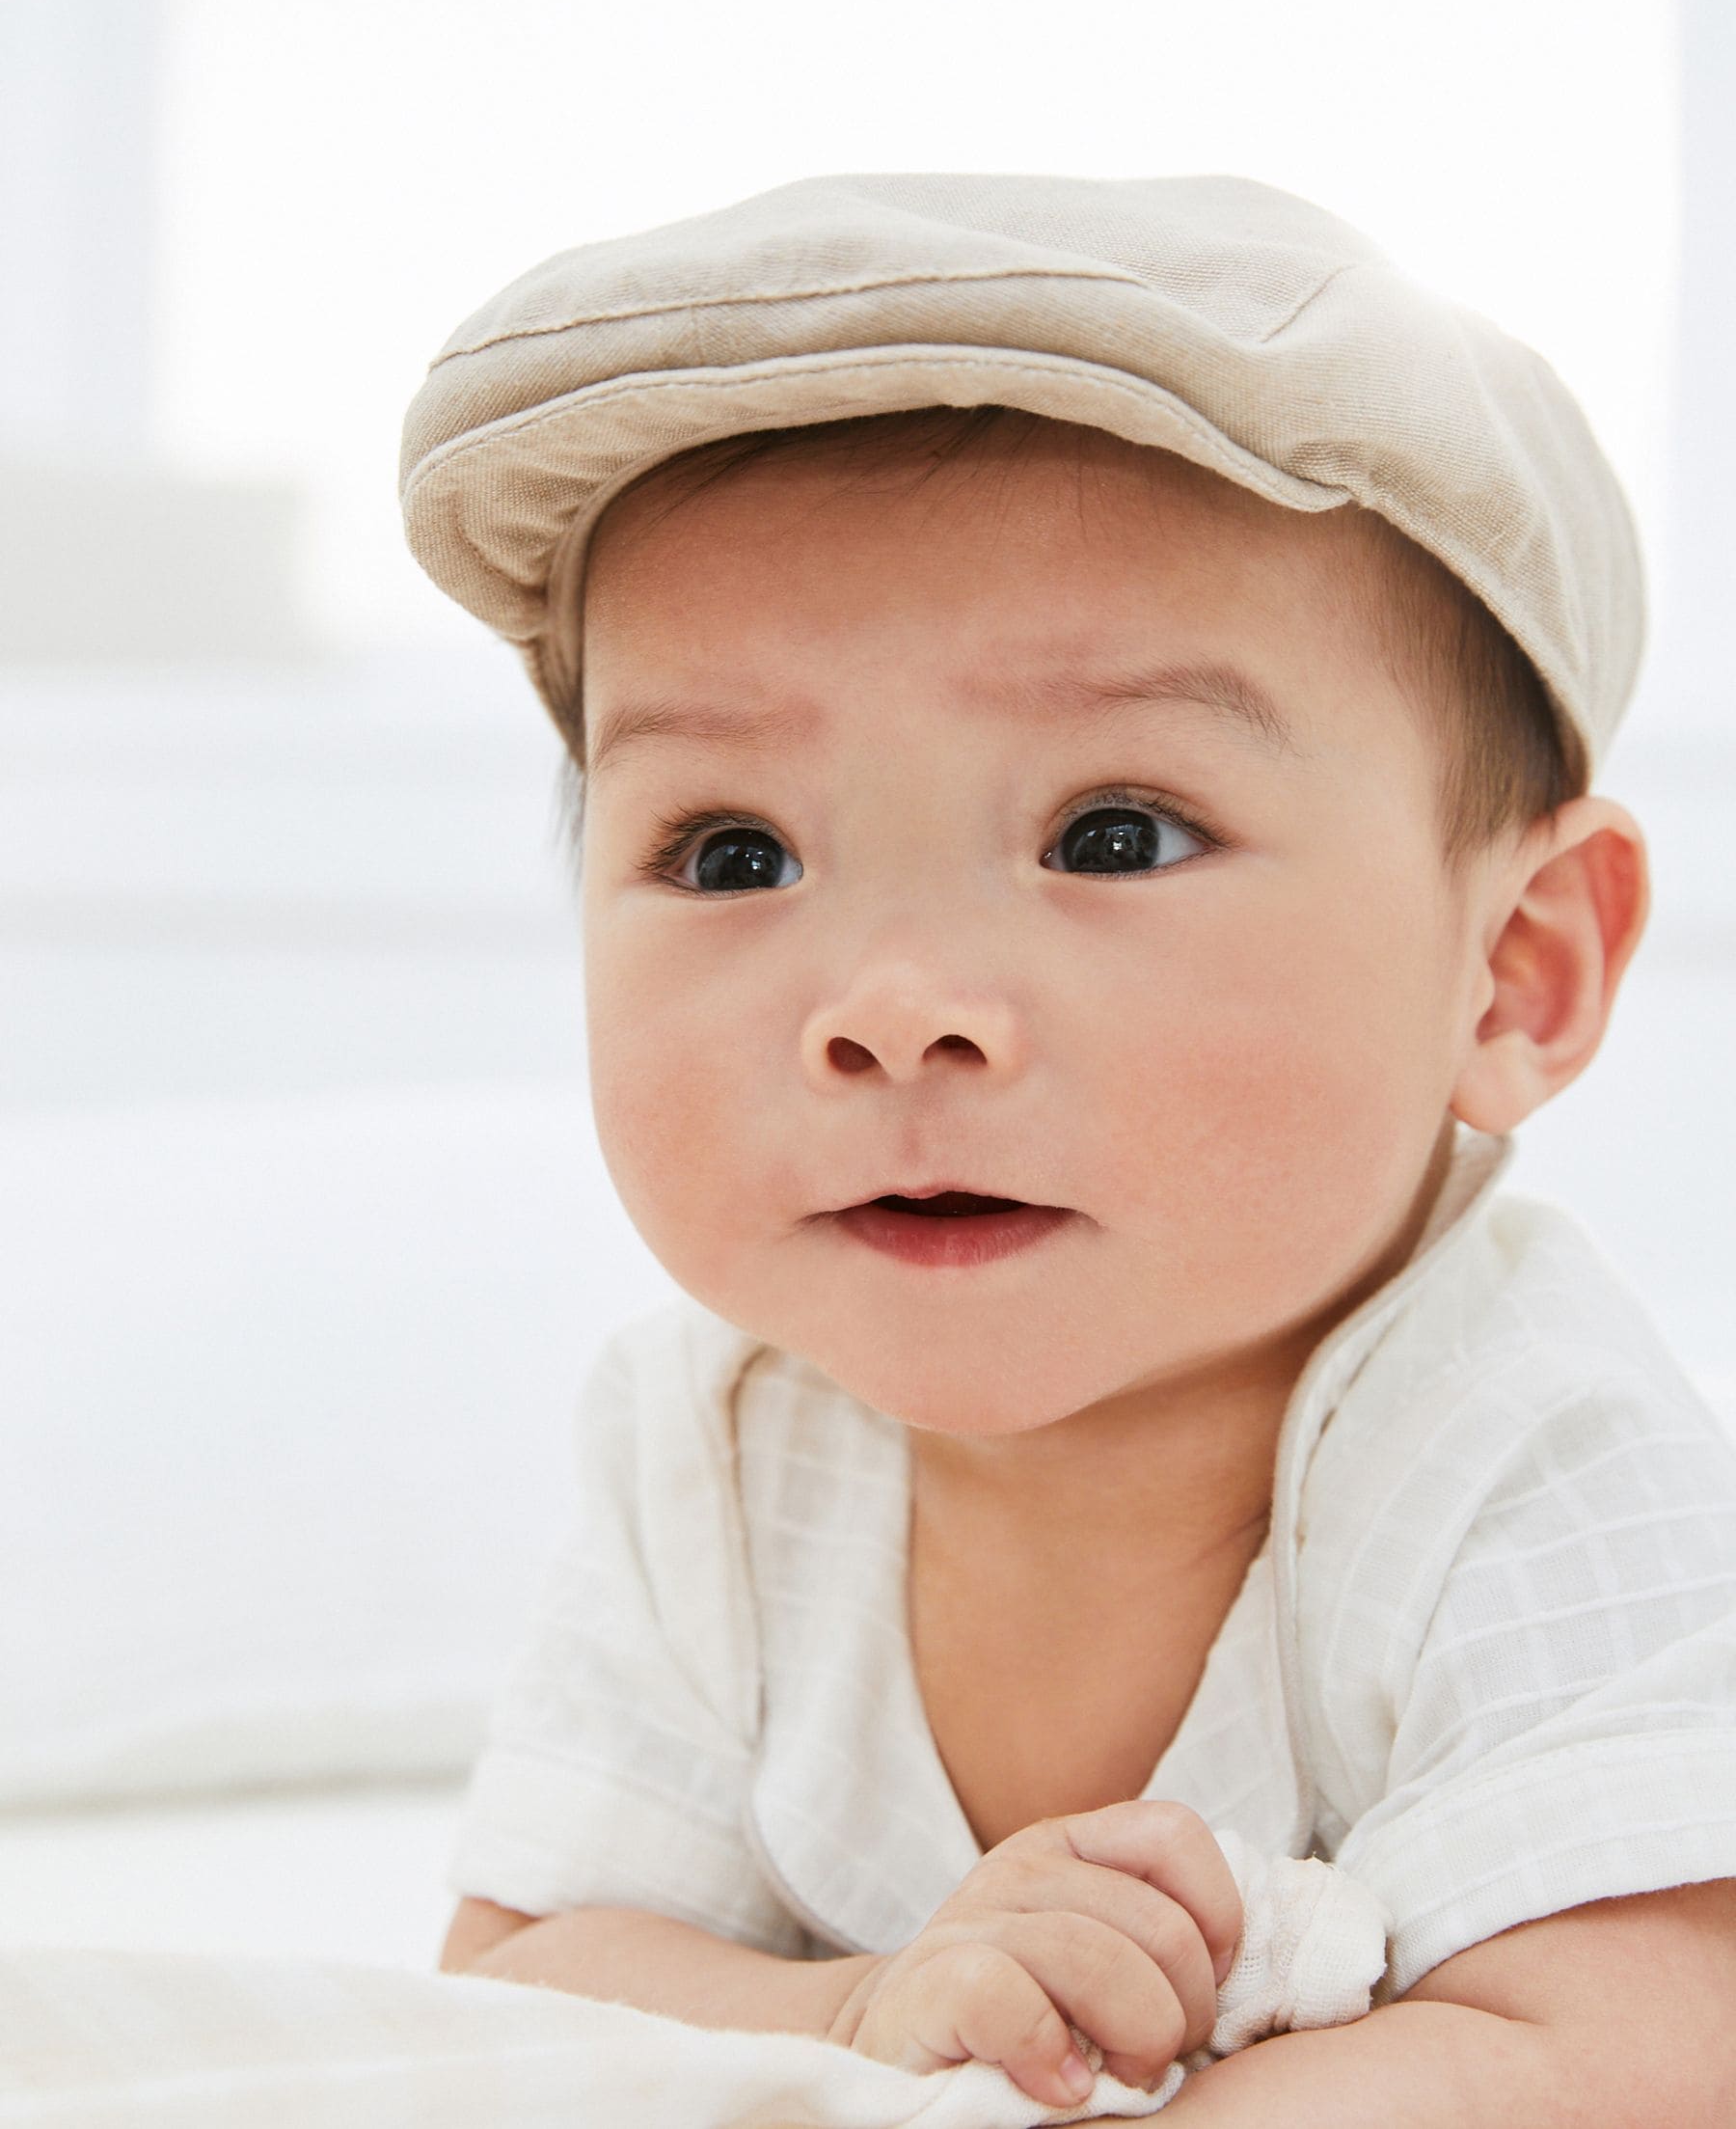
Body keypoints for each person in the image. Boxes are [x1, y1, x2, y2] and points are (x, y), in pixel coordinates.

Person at [407, 173, 1736, 2120]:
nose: (891, 1002)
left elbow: (1637, 2041)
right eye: (731, 852)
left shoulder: (1517, 1445)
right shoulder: (710, 1454)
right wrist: (861, 2021)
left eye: (1113, 833)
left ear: (1512, 975)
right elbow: (526, 1982)